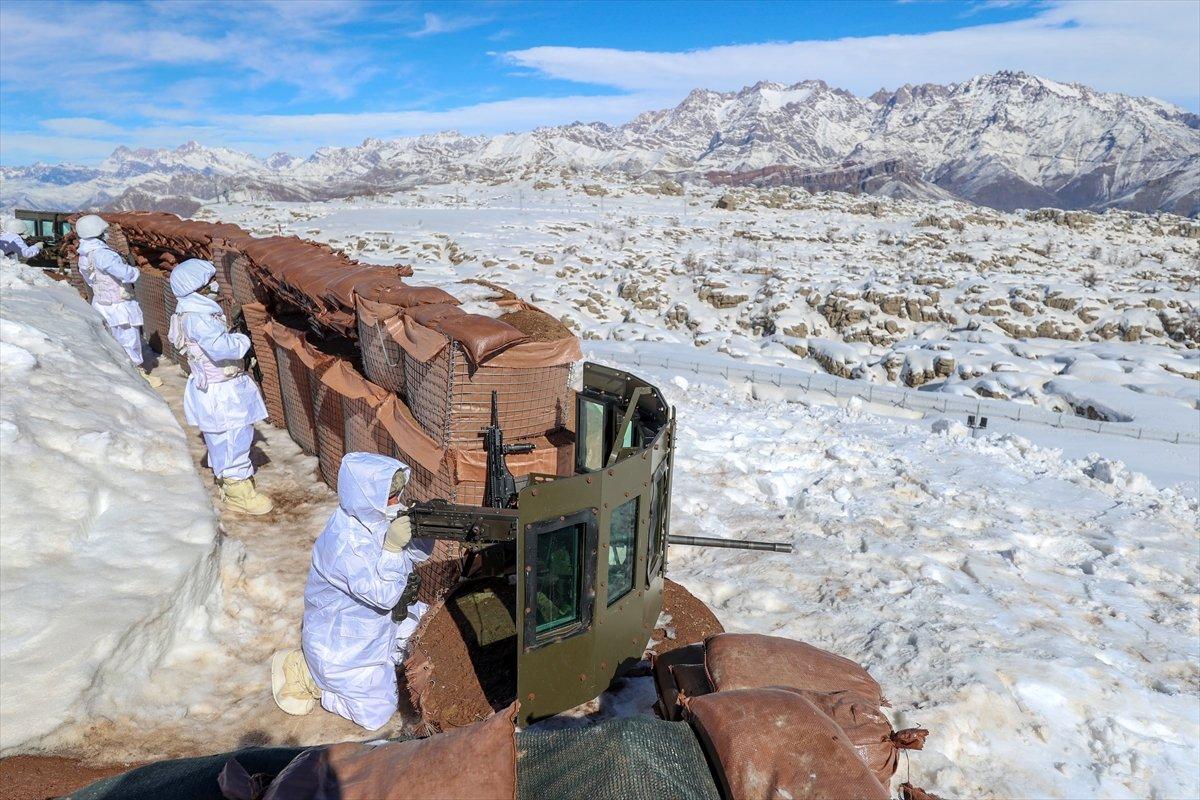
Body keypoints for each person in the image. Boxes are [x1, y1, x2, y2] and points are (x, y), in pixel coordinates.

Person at [271, 453, 433, 729]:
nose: (395, 503)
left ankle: (383, 660)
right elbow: (384, 595)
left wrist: (426, 528)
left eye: (396, 494)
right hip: (346, 646)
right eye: (388, 496)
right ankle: (311, 677)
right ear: (365, 494)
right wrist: (393, 548)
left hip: (381, 622)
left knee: (431, 629)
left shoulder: (374, 514)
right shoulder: (343, 544)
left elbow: (414, 556)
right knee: (377, 713)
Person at [168, 257, 274, 515]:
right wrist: (243, 340)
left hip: (213, 388)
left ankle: (227, 479)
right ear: (196, 288)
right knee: (233, 437)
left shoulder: (191, 313)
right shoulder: (199, 318)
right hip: (222, 391)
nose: (213, 285)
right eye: (208, 282)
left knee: (221, 439)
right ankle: (238, 491)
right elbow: (220, 348)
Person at [74, 214, 162, 388]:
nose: (106, 234)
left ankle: (121, 373)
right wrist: (135, 270)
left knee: (112, 341)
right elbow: (126, 274)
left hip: (101, 303)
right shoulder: (104, 255)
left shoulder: (85, 255)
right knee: (129, 340)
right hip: (119, 305)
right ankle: (138, 375)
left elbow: (90, 280)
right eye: (103, 231)